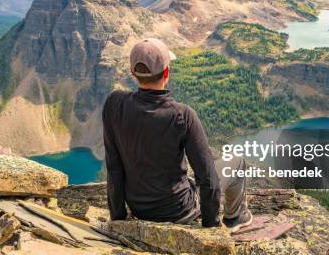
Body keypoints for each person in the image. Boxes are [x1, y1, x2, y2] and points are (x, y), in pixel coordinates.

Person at [102, 38, 253, 232]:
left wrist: (118, 218)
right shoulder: (182, 115)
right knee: (237, 163)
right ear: (166, 73)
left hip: (139, 209)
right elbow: (208, 178)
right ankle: (234, 217)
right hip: (181, 212)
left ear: (133, 72)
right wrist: (212, 227)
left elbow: (113, 166)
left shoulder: (114, 104)